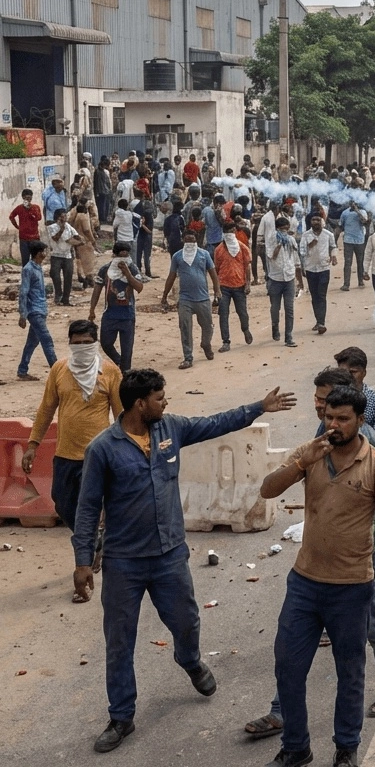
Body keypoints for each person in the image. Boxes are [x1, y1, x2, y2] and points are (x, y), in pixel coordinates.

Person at [72, 369, 296, 753]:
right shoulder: (103, 449)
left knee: (187, 621)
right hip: (124, 562)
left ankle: (190, 660)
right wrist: (81, 562)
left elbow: (215, 423)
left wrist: (258, 407)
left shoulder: (171, 428)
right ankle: (121, 716)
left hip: (170, 555)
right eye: (160, 398)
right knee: (119, 641)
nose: (166, 402)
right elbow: (88, 507)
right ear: (140, 403)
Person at [245, 369, 375, 744]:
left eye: (341, 417)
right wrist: (302, 463)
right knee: (288, 662)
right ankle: (291, 736)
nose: (332, 423)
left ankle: (357, 733)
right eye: (327, 414)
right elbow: (268, 490)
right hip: (306, 580)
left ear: (359, 420)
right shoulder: (314, 448)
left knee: (357, 658)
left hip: (354, 576)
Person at [23, 319, 122, 597]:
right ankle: (93, 542)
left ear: (95, 343)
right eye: (76, 343)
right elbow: (46, 409)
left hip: (98, 457)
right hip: (65, 455)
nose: (82, 347)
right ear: (69, 344)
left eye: (87, 343)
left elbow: (121, 416)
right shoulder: (59, 370)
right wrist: (32, 444)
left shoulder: (110, 372)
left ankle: (83, 569)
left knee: (87, 512)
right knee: (64, 505)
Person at [160, 230, 221, 369]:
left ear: (196, 240)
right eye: (187, 240)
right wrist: (165, 295)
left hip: (203, 298)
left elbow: (213, 273)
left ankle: (206, 344)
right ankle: (188, 357)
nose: (190, 243)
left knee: (207, 326)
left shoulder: (204, 254)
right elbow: (171, 276)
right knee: (185, 328)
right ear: (183, 240)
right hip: (185, 299)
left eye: (192, 240)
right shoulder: (177, 256)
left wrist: (217, 290)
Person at [333, 346, 375, 461]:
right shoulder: (332, 398)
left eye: (353, 372)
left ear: (364, 373)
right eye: (343, 372)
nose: (348, 377)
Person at [90, 241, 143, 370]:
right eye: (121, 256)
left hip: (127, 315)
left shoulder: (132, 268)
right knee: (106, 343)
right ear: (114, 255)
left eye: (126, 256)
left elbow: (139, 287)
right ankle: (120, 362)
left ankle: (125, 371)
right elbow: (97, 290)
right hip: (109, 314)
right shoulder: (105, 270)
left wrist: (128, 274)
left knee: (127, 350)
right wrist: (92, 310)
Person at [18, 240, 57, 381]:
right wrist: (22, 314)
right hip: (34, 310)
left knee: (32, 342)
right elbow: (23, 292)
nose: (45, 254)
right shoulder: (28, 269)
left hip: (40, 309)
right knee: (47, 340)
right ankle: (57, 371)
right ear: (39, 253)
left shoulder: (38, 267)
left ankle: (22, 370)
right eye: (44, 251)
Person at [213, 221, 253, 351]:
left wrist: (248, 283)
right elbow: (216, 269)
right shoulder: (219, 250)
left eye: (232, 231)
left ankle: (245, 329)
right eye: (227, 231)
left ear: (235, 231)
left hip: (239, 285)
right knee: (223, 314)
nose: (230, 234)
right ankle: (226, 341)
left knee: (242, 312)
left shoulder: (242, 248)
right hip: (223, 286)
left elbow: (247, 266)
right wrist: (216, 288)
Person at [267, 215, 303, 348]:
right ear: (277, 229)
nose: (284, 232)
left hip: (289, 278)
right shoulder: (271, 240)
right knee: (275, 308)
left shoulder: (291, 240)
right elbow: (272, 256)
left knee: (289, 309)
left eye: (286, 229)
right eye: (282, 229)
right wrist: (279, 245)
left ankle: (289, 337)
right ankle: (275, 327)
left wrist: (300, 280)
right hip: (275, 279)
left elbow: (296, 260)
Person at [298, 212, 336, 336]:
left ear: (321, 221)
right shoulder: (305, 235)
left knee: (321, 295)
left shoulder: (328, 234)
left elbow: (333, 246)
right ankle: (318, 320)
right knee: (314, 296)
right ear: (310, 222)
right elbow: (302, 252)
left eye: (318, 220)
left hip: (324, 268)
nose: (315, 222)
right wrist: (310, 245)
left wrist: (333, 256)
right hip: (310, 269)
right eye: (313, 220)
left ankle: (321, 323)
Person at [339, 201, 369, 291]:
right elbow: (341, 225)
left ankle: (360, 281)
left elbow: (364, 222)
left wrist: (357, 211)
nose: (353, 204)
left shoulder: (362, 212)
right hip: (348, 240)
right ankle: (346, 284)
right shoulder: (345, 213)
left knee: (360, 261)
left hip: (359, 240)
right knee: (348, 262)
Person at [10, 188, 42, 265]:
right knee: (25, 260)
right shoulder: (19, 208)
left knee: (36, 260)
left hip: (35, 238)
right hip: (23, 238)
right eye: (26, 198)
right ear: (23, 198)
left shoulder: (35, 207)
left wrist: (30, 210)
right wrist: (17, 226)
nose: (28, 200)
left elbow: (39, 218)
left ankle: (35, 272)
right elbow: (11, 216)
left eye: (30, 198)